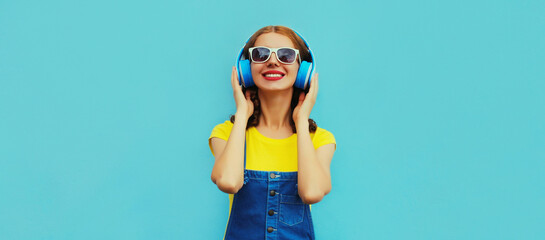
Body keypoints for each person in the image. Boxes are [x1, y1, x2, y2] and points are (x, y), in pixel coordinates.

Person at [208, 25, 336, 240]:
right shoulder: (227, 133)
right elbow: (229, 182)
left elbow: (311, 193)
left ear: (303, 71)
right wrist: (241, 115)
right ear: (245, 69)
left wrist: (301, 120)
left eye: (286, 55)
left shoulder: (320, 139)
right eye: (261, 54)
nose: (273, 61)